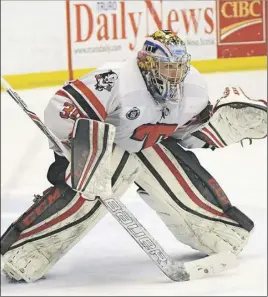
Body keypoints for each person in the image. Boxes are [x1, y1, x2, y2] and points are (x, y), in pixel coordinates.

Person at [1, 30, 266, 283]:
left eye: (178, 67)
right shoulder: (113, 81)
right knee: (95, 183)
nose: (175, 75)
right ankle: (27, 249)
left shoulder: (193, 89)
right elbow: (59, 112)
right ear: (149, 65)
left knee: (177, 179)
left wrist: (215, 128)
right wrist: (77, 150)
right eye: (166, 67)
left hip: (147, 148)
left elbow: (182, 135)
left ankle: (214, 230)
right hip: (107, 150)